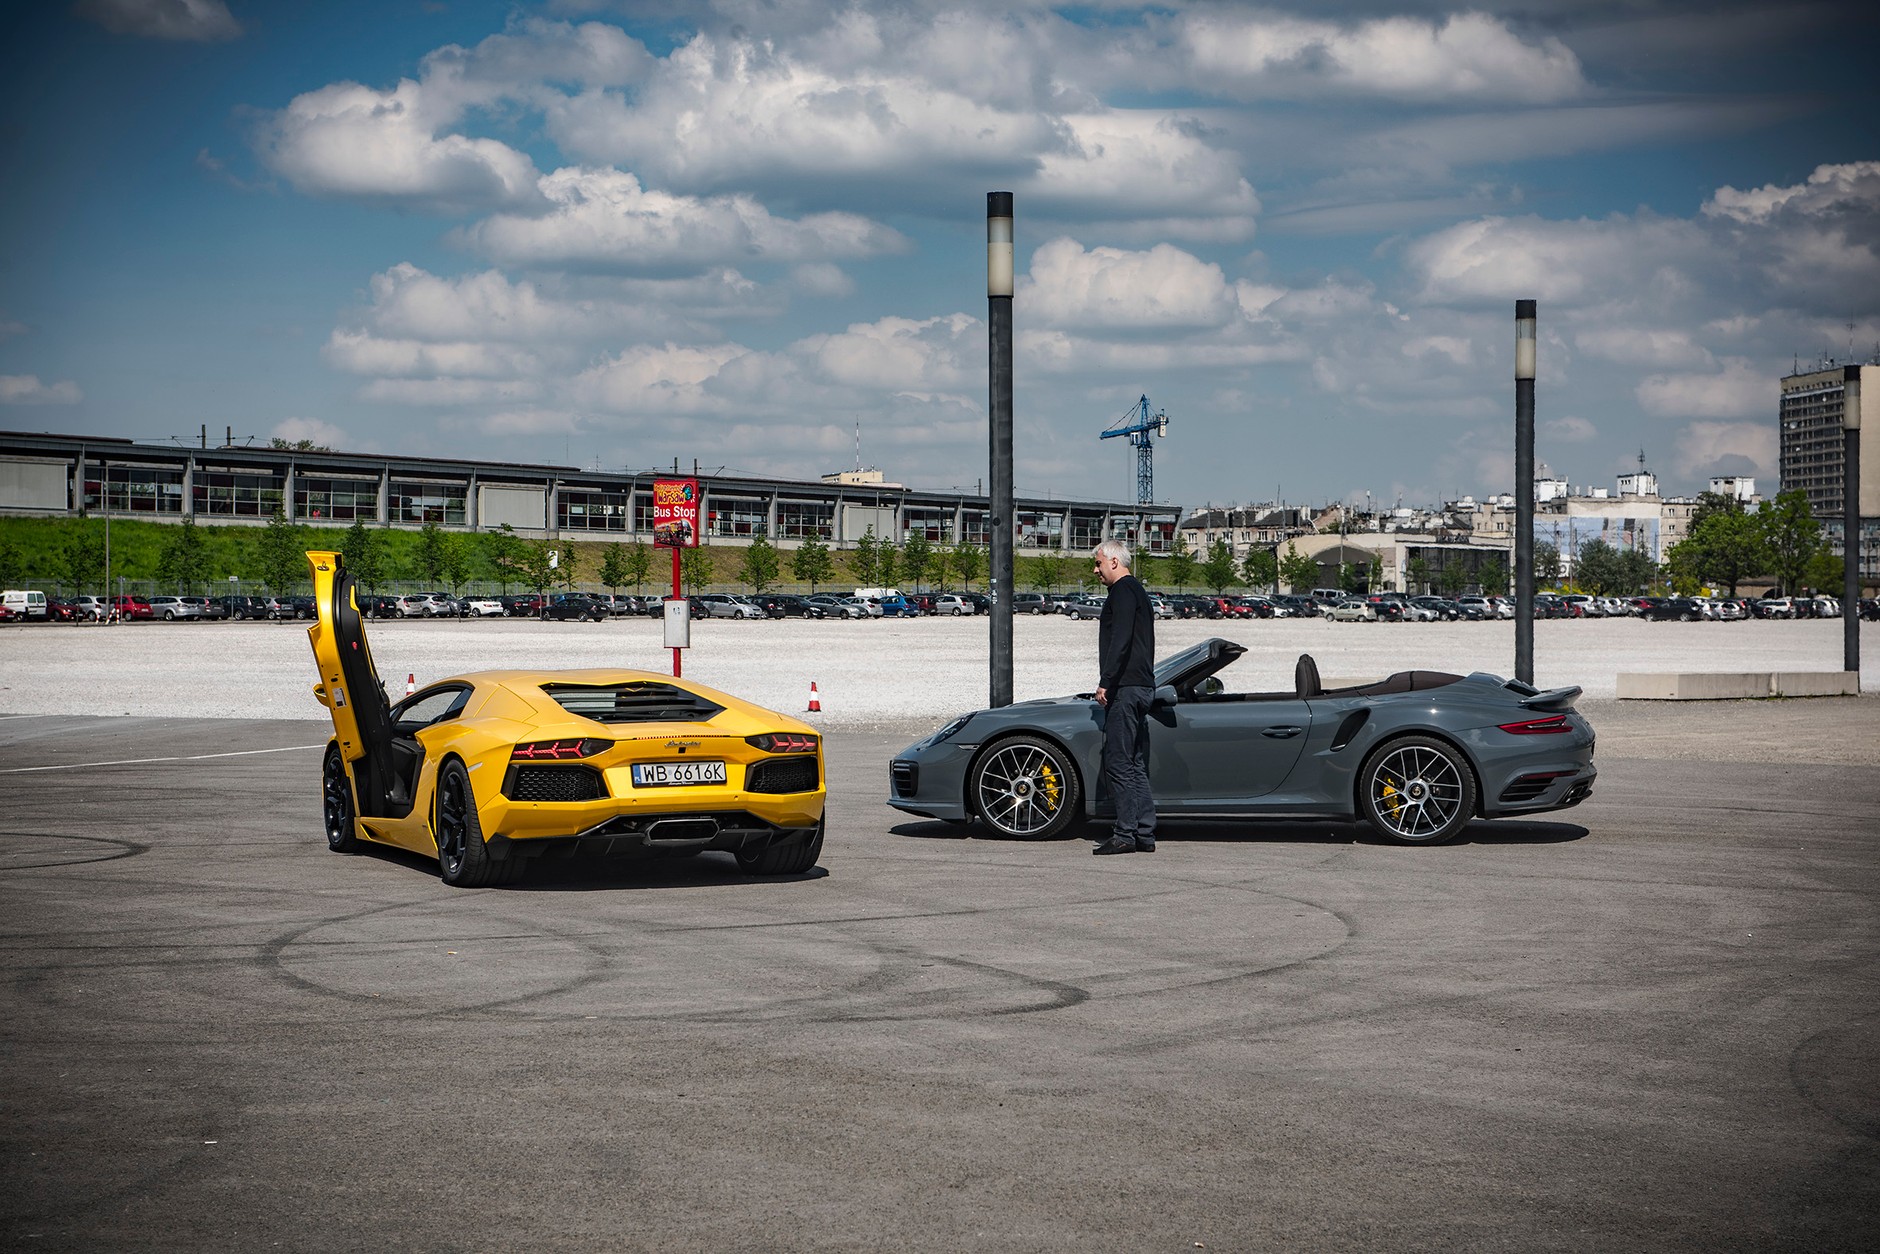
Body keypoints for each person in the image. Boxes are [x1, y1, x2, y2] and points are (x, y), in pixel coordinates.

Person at [1090, 539, 1156, 855]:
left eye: (1098, 563)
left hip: (1127, 688)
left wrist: (1106, 682)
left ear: (1114, 561)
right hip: (1140, 687)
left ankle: (1125, 834)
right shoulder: (1137, 591)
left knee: (1118, 761)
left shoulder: (1123, 591)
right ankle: (1144, 833)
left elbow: (1121, 638)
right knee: (1134, 762)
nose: (1096, 569)